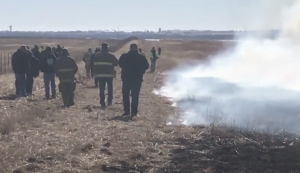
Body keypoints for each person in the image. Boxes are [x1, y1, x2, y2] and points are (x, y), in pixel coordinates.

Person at [119, 43, 149, 116]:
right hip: (137, 79)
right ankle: (134, 112)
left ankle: (126, 111)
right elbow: (147, 66)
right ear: (136, 48)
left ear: (130, 48)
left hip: (126, 78)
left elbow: (120, 64)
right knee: (135, 95)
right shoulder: (141, 57)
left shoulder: (124, 56)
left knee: (125, 95)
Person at [91, 43, 118, 107]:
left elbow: (92, 64)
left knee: (101, 89)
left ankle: (102, 102)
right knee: (109, 89)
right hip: (109, 75)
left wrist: (93, 72)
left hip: (100, 75)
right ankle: (109, 102)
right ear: (107, 47)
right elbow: (116, 63)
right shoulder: (110, 55)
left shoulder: (96, 55)